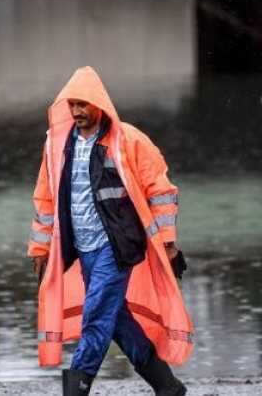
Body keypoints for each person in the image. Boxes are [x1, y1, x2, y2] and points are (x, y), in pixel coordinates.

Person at [27, 66, 193, 396]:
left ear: (99, 104)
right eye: (72, 104)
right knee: (115, 319)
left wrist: (169, 244)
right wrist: (41, 248)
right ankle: (168, 386)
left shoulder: (128, 140)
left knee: (96, 317)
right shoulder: (57, 145)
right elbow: (45, 199)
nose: (76, 111)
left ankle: (75, 391)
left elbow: (160, 190)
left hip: (117, 246)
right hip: (84, 248)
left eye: (83, 104)